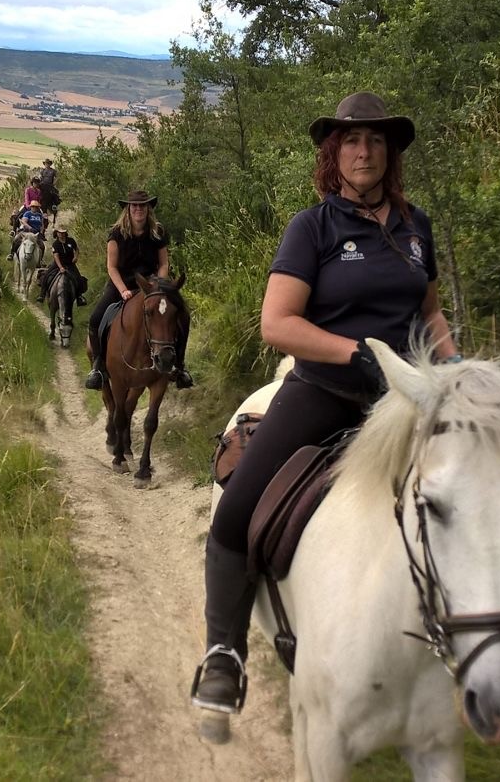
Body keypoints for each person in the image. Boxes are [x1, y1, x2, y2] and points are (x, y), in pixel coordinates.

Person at [190, 92, 461, 716]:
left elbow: (430, 313)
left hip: (408, 398)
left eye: (374, 140)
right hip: (326, 393)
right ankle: (224, 654)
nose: (362, 151)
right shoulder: (312, 228)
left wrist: (452, 368)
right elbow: (277, 323)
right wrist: (353, 353)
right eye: (350, 140)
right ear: (332, 154)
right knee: (236, 511)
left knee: (480, 494)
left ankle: (473, 641)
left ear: (388, 153)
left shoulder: (415, 227)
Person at [83, 189, 194, 391]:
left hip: (151, 286)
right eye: (134, 206)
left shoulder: (157, 232)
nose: (138, 209)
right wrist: (124, 290)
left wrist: (158, 286)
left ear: (148, 209)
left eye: (142, 206)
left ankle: (179, 366)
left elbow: (163, 263)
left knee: (183, 315)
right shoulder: (116, 234)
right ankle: (98, 367)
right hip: (121, 284)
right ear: (128, 209)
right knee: (95, 319)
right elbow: (112, 267)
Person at [37, 226, 87, 305]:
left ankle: (79, 297)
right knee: (46, 276)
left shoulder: (70, 241)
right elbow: (56, 256)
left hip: (70, 263)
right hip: (58, 263)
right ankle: (42, 295)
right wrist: (60, 267)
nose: (62, 234)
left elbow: (76, 249)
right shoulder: (55, 244)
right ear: (57, 233)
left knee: (78, 278)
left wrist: (75, 257)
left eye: (63, 233)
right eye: (60, 233)